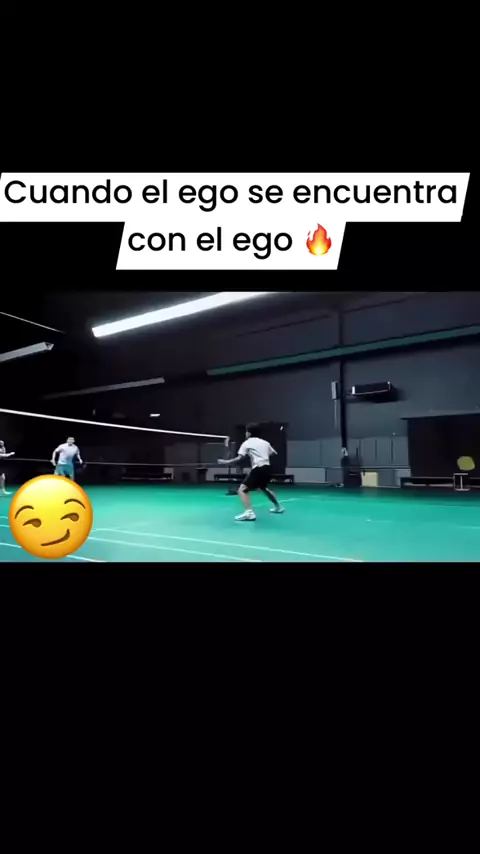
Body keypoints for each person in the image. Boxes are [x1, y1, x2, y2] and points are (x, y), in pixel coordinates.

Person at [218, 423, 284, 521]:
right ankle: (278, 507)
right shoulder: (265, 442)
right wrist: (261, 454)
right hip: (267, 467)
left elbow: (239, 458)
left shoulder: (247, 443)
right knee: (264, 488)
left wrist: (226, 462)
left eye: (246, 432)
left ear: (249, 433)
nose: (245, 433)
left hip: (258, 468)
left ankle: (249, 513)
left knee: (242, 490)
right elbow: (273, 453)